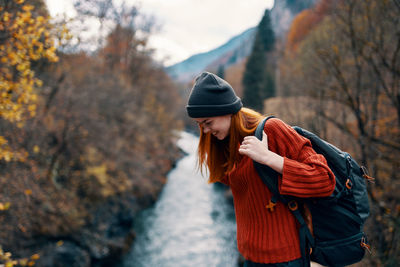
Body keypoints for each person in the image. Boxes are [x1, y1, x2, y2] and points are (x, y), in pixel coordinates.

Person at [186, 72, 336, 267]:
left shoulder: (271, 130)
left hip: (286, 259)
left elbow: (324, 180)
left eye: (208, 123)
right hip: (250, 256)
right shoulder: (226, 143)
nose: (205, 131)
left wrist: (269, 158)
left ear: (228, 111)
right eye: (200, 125)